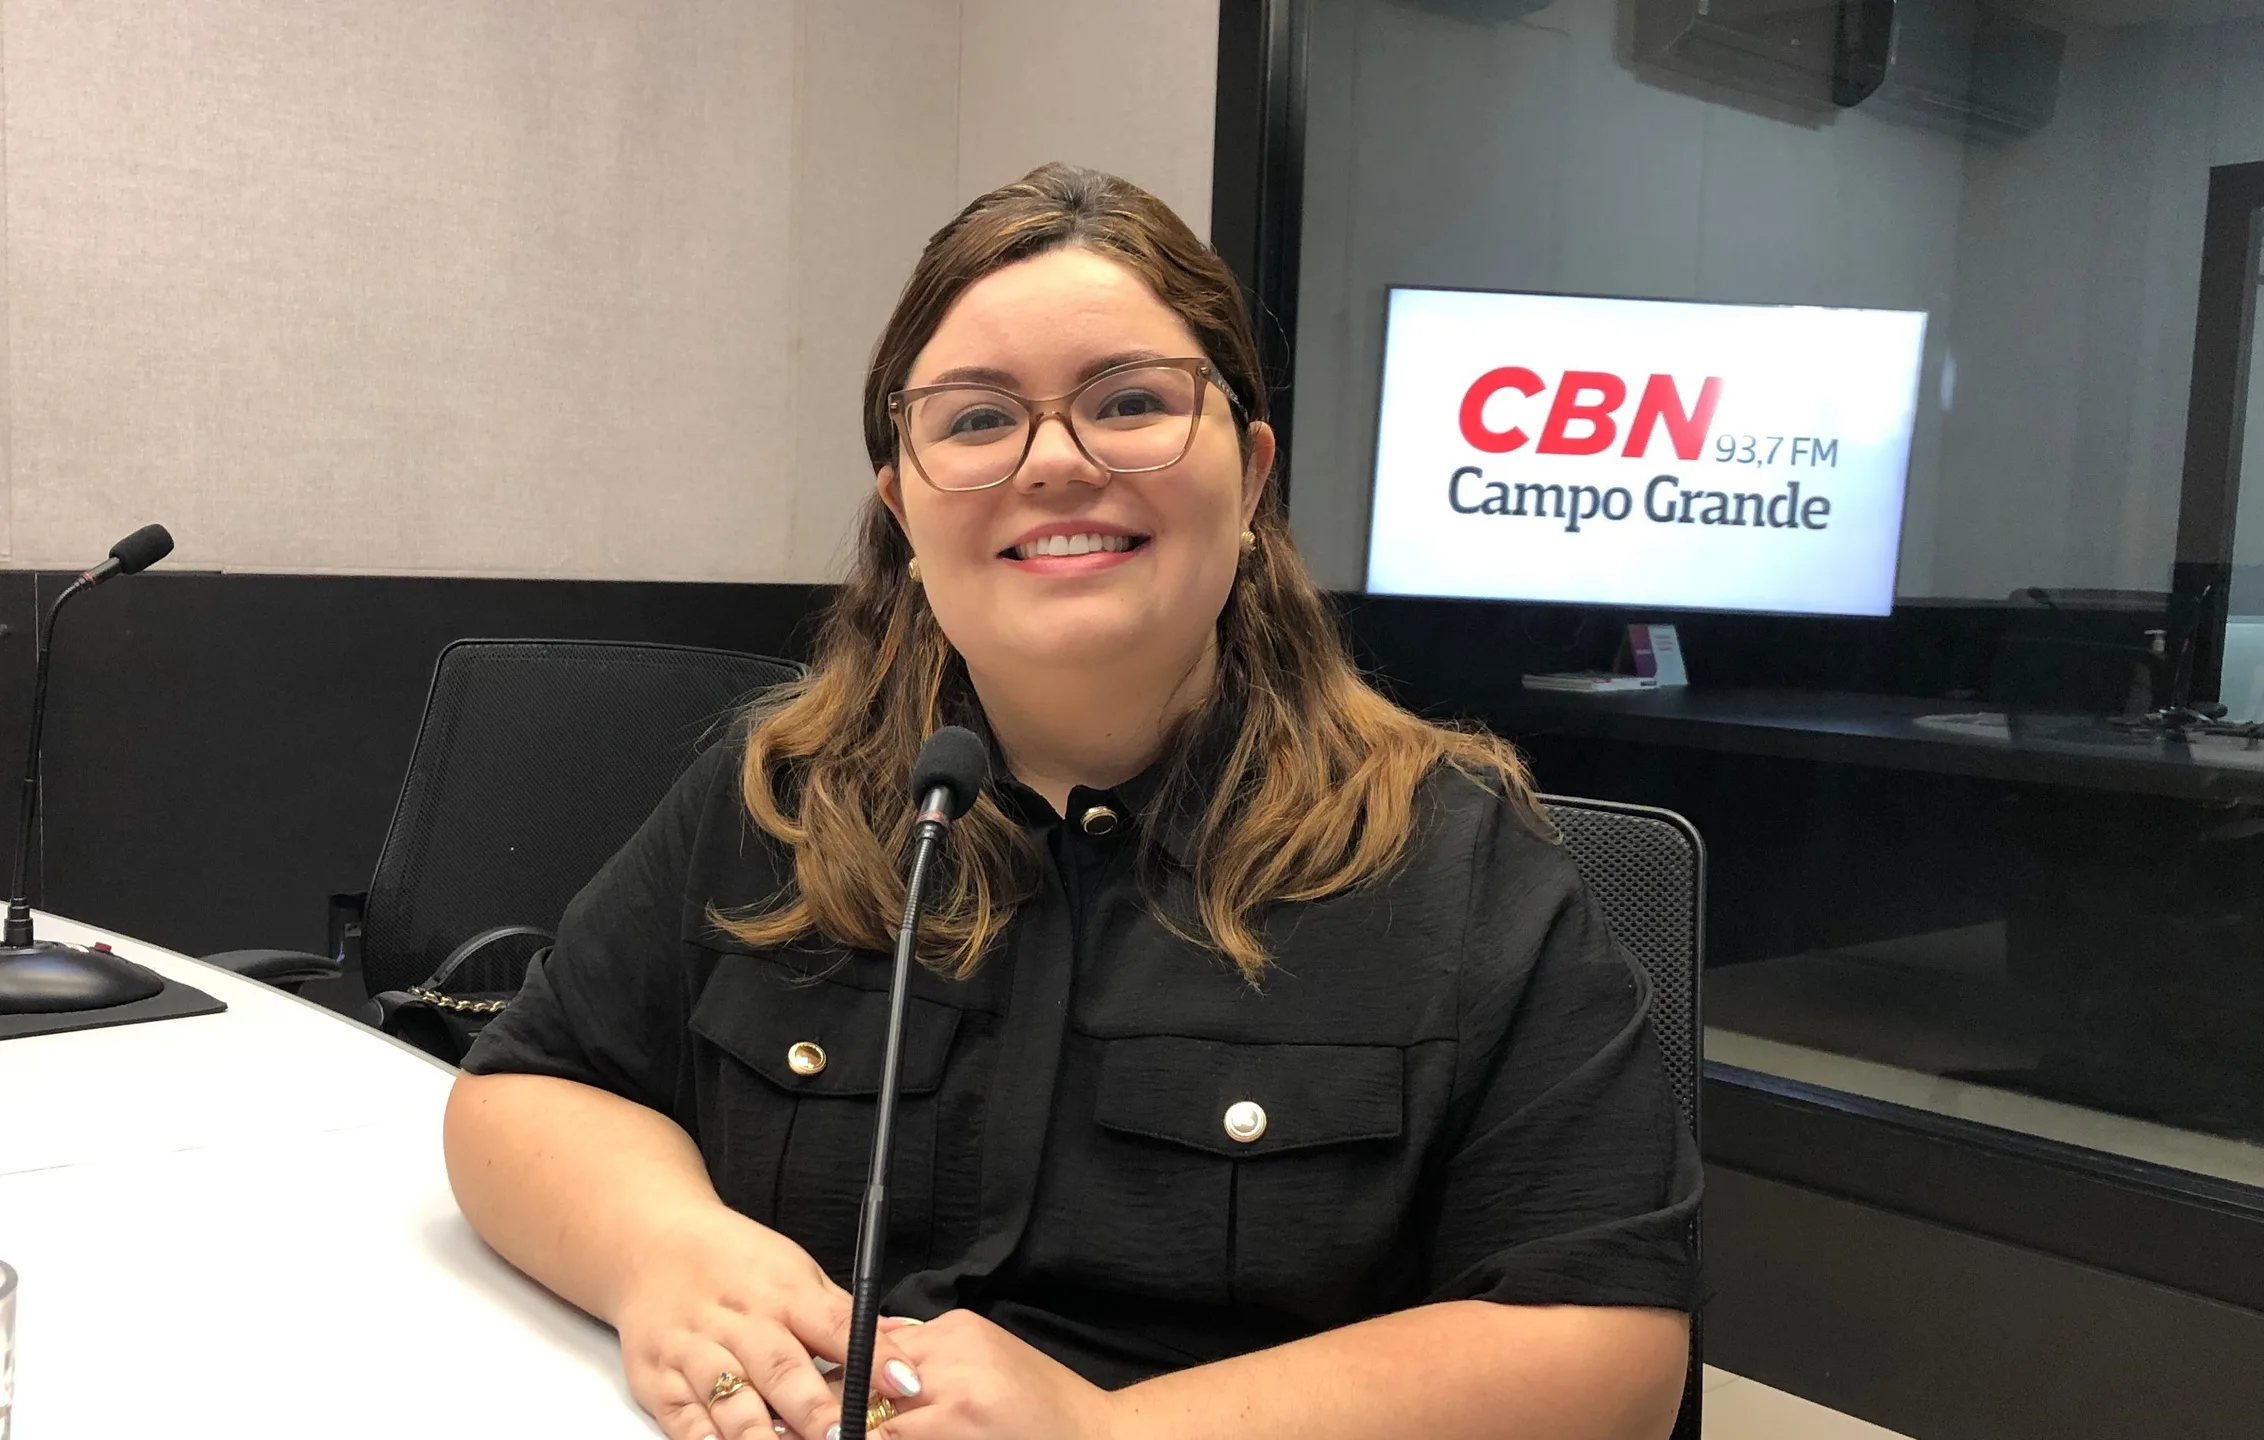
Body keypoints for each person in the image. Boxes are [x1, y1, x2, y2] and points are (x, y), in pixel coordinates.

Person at [444, 162, 1700, 1440]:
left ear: (1250, 472)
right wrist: (666, 1250)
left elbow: (1606, 1353)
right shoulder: (781, 796)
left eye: (1131, 401)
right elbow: (524, 1091)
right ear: (903, 504)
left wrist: (1108, 1435)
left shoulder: (1450, 856)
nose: (1053, 463)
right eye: (978, 420)